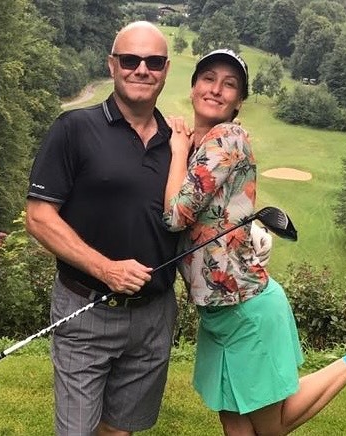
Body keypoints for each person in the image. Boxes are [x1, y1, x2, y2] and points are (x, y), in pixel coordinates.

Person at [162, 49, 346, 436]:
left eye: (229, 84)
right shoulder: (199, 145)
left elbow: (175, 217)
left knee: (272, 426)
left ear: (239, 102)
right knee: (233, 420)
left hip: (245, 308)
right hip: (217, 311)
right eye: (208, 78)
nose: (216, 89)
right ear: (193, 87)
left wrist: (175, 150)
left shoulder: (227, 136)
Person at [25, 23, 272, 435]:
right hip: (86, 310)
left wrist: (251, 234)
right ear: (112, 65)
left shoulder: (182, 144)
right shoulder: (74, 129)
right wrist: (105, 269)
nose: (141, 69)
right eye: (130, 60)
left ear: (166, 70)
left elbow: (207, 208)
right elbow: (38, 217)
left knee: (119, 430)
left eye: (153, 62)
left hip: (154, 317)